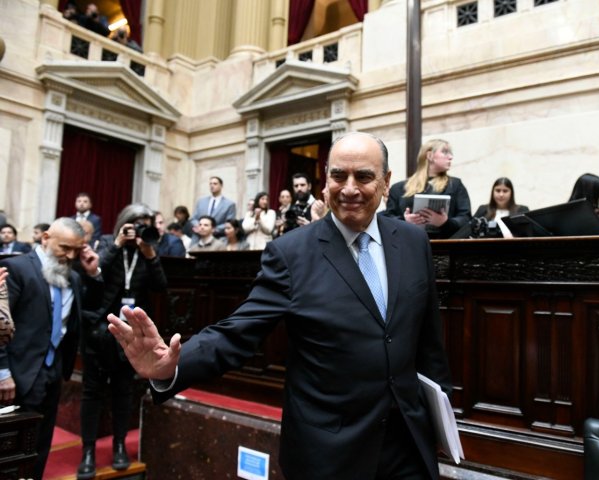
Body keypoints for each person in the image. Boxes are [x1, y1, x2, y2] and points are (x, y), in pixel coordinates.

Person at [107, 132, 452, 480]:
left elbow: (429, 341)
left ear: (386, 182)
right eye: (338, 176)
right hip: (330, 453)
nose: (349, 188)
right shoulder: (291, 253)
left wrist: (440, 423)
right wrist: (171, 367)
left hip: (408, 443)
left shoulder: (412, 241)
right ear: (325, 180)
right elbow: (237, 333)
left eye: (363, 176)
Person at [0, 218, 102, 480]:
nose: (69, 256)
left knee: (41, 443)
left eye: (76, 251)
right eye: (65, 248)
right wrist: (2, 373)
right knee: (9, 445)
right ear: (46, 238)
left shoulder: (76, 277)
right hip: (17, 373)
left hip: (52, 372)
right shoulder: (16, 268)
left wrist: (94, 275)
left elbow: (88, 315)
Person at [78, 204, 168, 479]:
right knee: (92, 393)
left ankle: (119, 446)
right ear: (123, 223)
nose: (138, 229)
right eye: (134, 224)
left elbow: (161, 286)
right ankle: (88, 451)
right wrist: (117, 243)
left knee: (123, 391)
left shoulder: (146, 252)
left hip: (131, 337)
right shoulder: (106, 243)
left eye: (144, 224)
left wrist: (150, 253)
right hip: (100, 331)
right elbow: (95, 273)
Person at [385, 139, 471, 238]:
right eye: (445, 152)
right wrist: (405, 221)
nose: (450, 157)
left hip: (444, 245)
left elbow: (466, 218)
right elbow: (388, 218)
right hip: (409, 243)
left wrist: (446, 222)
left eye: (450, 153)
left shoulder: (455, 185)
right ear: (429, 155)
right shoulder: (399, 188)